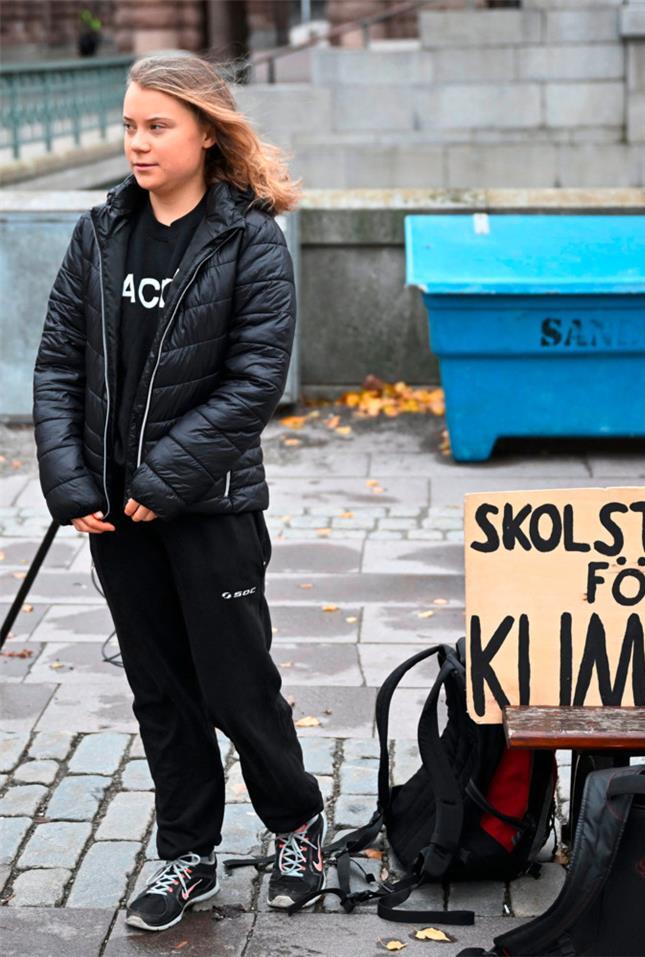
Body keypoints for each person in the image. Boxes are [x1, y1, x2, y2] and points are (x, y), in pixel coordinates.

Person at [32, 52, 325, 933]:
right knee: (161, 691)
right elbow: (54, 366)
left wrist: (166, 480)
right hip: (115, 518)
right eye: (128, 125)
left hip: (211, 510)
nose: (138, 142)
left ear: (207, 131)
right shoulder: (100, 232)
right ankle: (189, 853)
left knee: (239, 689)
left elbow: (253, 384)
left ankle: (296, 821)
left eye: (157, 125)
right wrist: (70, 482)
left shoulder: (251, 241)